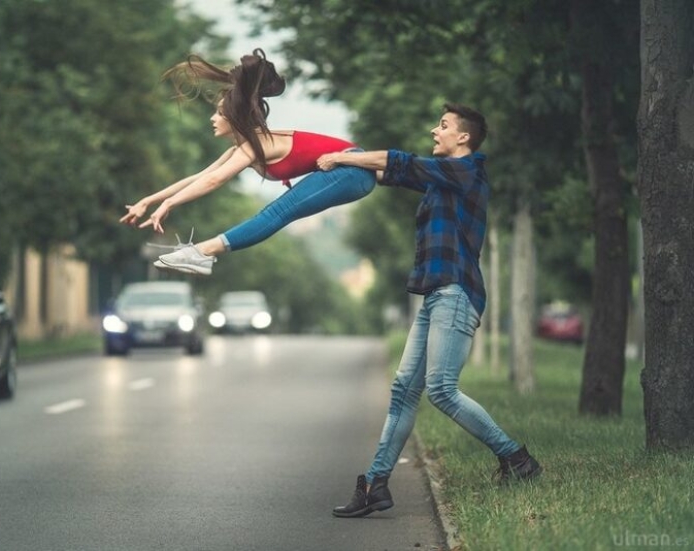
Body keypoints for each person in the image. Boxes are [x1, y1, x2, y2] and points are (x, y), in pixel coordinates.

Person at [317, 103, 541, 519]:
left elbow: (397, 161)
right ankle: (376, 485)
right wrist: (328, 173)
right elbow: (391, 172)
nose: (434, 130)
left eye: (443, 125)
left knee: (441, 388)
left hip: (456, 294)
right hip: (436, 295)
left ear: (464, 138)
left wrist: (344, 157)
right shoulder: (442, 180)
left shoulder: (467, 171)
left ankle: (517, 459)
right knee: (405, 390)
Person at [119, 48, 377, 275]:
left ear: (235, 118)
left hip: (352, 168)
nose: (213, 118)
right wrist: (149, 200)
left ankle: (202, 252)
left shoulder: (255, 146)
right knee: (278, 211)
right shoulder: (241, 149)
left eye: (219, 113)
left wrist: (169, 204)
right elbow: (199, 177)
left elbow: (214, 180)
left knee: (278, 212)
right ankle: (202, 253)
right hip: (353, 172)